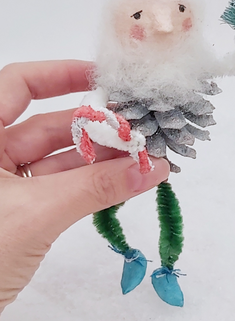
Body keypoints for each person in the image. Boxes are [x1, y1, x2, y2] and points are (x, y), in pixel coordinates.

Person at [0, 60, 170, 315]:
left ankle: (166, 266)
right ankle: (132, 255)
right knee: (106, 196)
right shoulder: (96, 110)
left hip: (119, 132)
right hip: (106, 132)